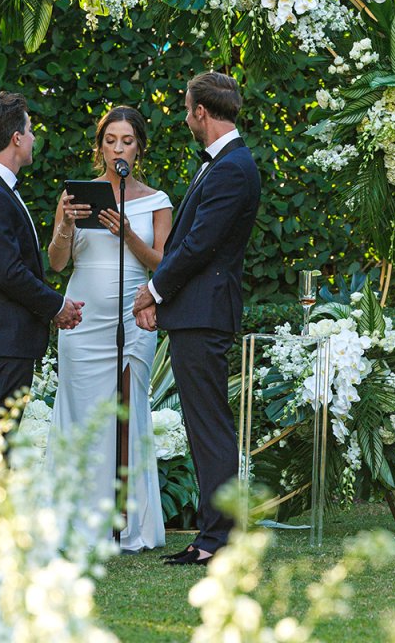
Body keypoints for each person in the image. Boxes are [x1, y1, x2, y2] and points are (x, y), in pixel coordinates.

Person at [133, 72, 261, 565]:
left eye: (188, 109)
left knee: (209, 426)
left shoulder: (232, 167)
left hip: (204, 315)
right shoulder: (226, 163)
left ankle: (217, 538)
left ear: (201, 113)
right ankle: (216, 533)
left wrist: (153, 290)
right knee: (207, 424)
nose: (186, 117)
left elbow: (198, 246)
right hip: (197, 313)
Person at [46, 106, 173, 552]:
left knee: (126, 416)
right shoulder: (78, 194)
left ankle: (127, 525)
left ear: (139, 148)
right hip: (83, 321)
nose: (118, 148)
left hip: (133, 318)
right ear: (100, 145)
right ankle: (78, 523)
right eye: (110, 140)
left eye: (127, 141)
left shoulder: (156, 201)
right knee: (84, 416)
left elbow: (166, 264)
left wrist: (127, 236)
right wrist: (63, 223)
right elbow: (57, 263)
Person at [0, 91, 84, 472]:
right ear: (15, 137)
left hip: (2, 337)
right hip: (2, 337)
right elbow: (8, 273)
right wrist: (57, 305)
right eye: (29, 130)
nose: (32, 138)